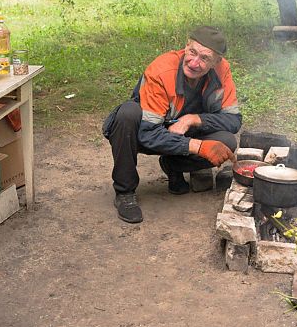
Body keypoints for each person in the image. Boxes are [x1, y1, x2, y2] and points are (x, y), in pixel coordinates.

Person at [102, 26, 241, 224]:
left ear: (216, 62)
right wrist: (198, 146)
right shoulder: (162, 70)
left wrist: (193, 119)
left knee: (226, 141)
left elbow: (233, 120)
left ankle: (173, 165)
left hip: (183, 132)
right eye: (192, 52)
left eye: (204, 58)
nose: (194, 63)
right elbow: (148, 133)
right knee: (127, 114)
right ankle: (125, 192)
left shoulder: (222, 69)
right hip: (145, 132)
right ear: (186, 46)